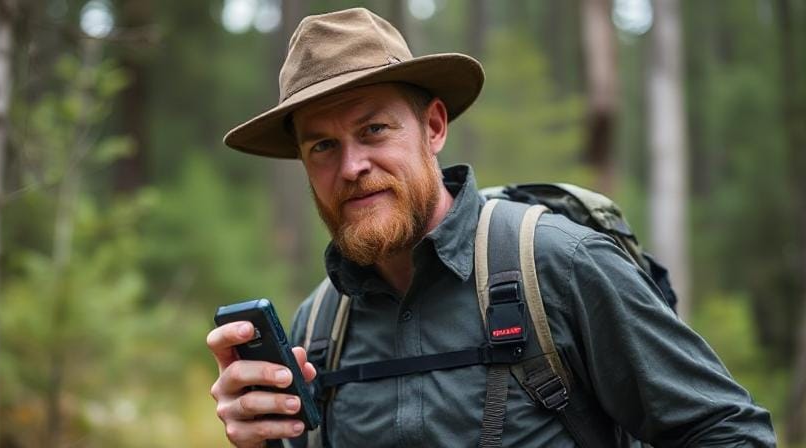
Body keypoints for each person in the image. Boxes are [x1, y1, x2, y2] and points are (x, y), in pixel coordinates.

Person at [206, 7, 776, 448]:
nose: (352, 166)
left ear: (433, 127)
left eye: (374, 130)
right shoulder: (319, 325)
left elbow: (730, 433)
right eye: (323, 146)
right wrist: (265, 441)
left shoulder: (558, 265)